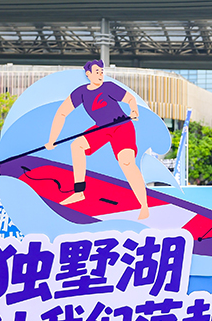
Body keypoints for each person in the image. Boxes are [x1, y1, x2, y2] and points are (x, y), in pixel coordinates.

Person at [45, 60, 149, 219]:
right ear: (88, 74)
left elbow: (130, 99)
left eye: (102, 71)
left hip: (121, 125)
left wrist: (134, 110)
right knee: (77, 145)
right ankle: (79, 192)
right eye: (97, 72)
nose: (100, 75)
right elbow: (61, 113)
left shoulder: (109, 87)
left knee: (126, 161)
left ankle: (144, 206)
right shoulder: (81, 92)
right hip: (101, 128)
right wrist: (52, 139)